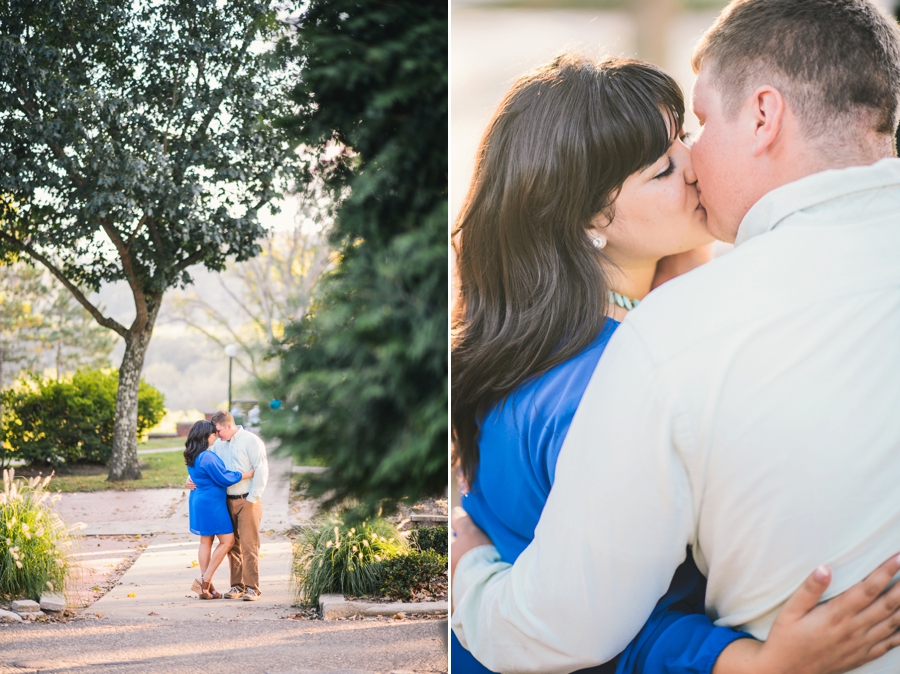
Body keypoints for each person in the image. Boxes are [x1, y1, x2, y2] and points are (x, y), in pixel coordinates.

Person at [451, 0, 900, 672]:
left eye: (687, 132)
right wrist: (756, 665)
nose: (692, 162)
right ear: (592, 217)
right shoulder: (604, 370)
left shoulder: (630, 336)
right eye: (663, 168)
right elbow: (610, 630)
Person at [183, 420, 254, 600]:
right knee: (228, 541)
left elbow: (197, 475)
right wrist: (247, 474)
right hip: (212, 503)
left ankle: (207, 589)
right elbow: (224, 477)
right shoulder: (207, 456)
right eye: (212, 433)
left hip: (198, 500)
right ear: (205, 435)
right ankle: (205, 580)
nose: (215, 435)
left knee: (205, 542)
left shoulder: (192, 454)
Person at [209, 410, 269, 601]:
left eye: (218, 430)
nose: (217, 434)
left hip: (248, 500)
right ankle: (237, 586)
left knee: (250, 545)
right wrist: (190, 478)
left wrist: (253, 498)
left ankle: (253, 588)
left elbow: (261, 469)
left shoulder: (251, 441)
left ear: (229, 425)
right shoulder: (218, 445)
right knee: (232, 545)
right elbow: (206, 464)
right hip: (226, 501)